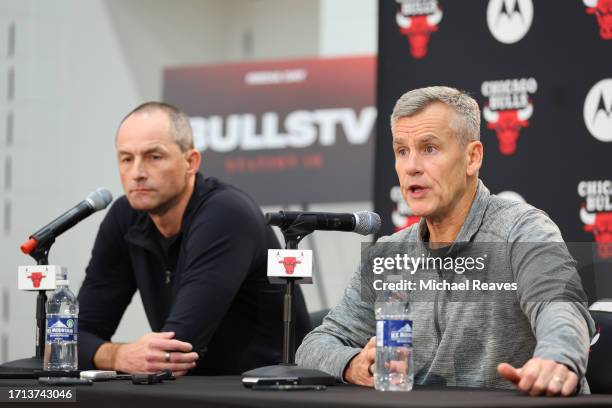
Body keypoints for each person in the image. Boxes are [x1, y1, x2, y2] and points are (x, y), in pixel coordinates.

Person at [295, 86, 594, 396]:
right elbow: (315, 345)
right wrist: (353, 363)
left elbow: (559, 306)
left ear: (472, 157)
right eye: (402, 151)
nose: (411, 166)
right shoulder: (388, 253)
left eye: (429, 148)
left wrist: (557, 359)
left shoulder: (522, 229)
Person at [77, 102, 310, 376]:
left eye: (154, 156)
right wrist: (116, 355)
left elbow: (173, 352)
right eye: (126, 159)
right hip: (193, 389)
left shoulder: (225, 214)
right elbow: (66, 340)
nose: (137, 172)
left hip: (268, 390)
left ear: (190, 162)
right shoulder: (125, 216)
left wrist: (104, 354)